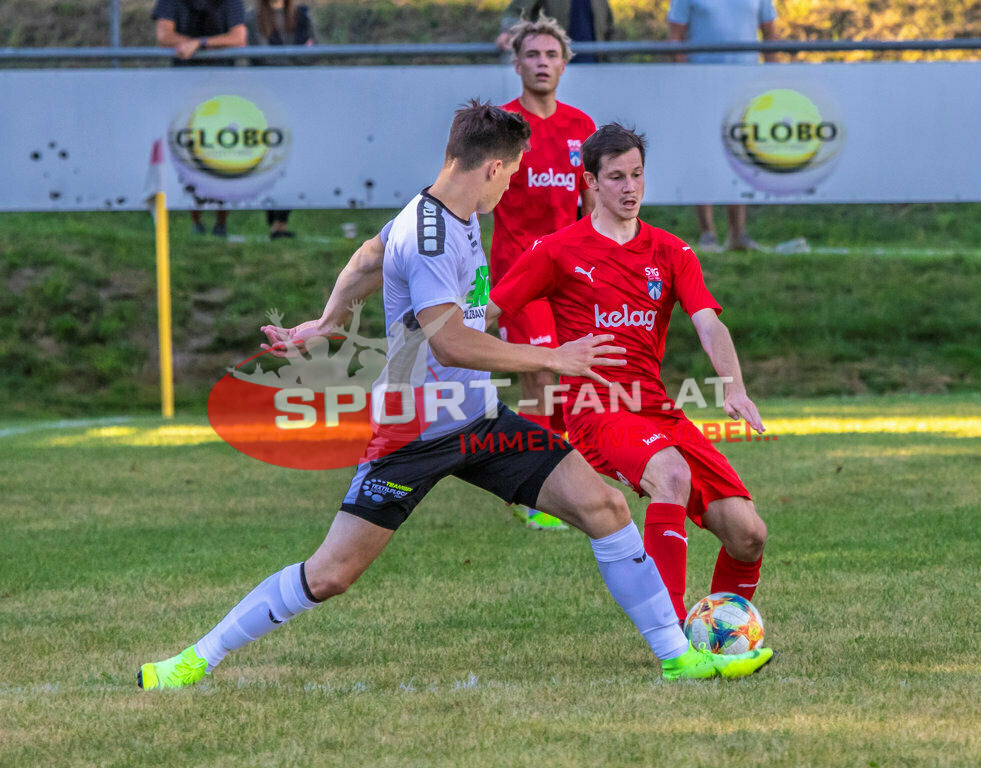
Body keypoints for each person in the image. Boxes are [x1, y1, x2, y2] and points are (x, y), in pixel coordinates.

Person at [136, 103, 773, 691]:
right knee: (330, 574)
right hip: (414, 431)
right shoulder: (432, 236)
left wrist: (329, 320)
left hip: (477, 418)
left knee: (604, 506)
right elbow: (451, 345)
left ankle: (676, 657)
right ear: (492, 167)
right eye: (514, 173)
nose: (515, 186)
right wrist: (555, 356)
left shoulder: (448, 212)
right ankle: (194, 659)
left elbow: (367, 258)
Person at [489, 123, 769, 623]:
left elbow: (708, 324)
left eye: (637, 175)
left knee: (748, 534)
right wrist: (424, 336)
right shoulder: (555, 251)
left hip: (658, 411)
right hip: (596, 412)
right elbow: (487, 315)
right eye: (616, 177)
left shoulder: (671, 251)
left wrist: (733, 384)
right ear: (590, 183)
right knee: (672, 475)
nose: (630, 187)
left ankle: (726, 629)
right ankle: (673, 637)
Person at [491, 15, 596, 531]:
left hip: (570, 275)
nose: (542, 63)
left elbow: (591, 205)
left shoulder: (580, 126)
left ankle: (564, 477)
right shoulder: (503, 126)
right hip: (518, 273)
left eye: (551, 55)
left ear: (564, 63)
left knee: (570, 379)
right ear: (516, 64)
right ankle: (536, 491)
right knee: (539, 374)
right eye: (532, 55)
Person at [666, 0, 779, 253]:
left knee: (740, 154)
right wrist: (684, 81)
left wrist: (774, 81)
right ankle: (708, 234)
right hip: (700, 87)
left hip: (745, 88)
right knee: (702, 155)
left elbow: (771, 37)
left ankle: (738, 234)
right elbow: (675, 38)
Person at [153, 0, 247, 237]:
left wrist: (200, 43)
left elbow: (239, 37)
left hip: (222, 89)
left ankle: (220, 221)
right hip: (186, 89)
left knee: (223, 155)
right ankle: (195, 218)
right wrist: (189, 43)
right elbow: (163, 35)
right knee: (191, 155)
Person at [246, 0, 317, 240]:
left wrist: (294, 58)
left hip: (297, 97)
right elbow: (263, 56)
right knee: (270, 156)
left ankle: (282, 222)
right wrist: (295, 58)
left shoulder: (302, 16)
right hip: (267, 97)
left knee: (292, 158)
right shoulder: (252, 18)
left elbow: (313, 52)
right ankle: (272, 218)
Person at [496, 0, 613, 64]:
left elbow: (609, 29)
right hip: (554, 68)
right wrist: (509, 31)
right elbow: (515, 12)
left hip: (594, 67)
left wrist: (612, 63)